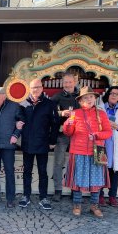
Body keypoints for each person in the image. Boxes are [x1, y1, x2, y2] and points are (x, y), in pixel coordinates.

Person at [62, 86, 112, 218]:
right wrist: (68, 123)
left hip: (98, 151)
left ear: (95, 99)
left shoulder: (101, 114)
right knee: (78, 180)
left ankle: (94, 206)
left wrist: (96, 135)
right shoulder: (75, 113)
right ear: (80, 101)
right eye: (85, 97)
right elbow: (68, 132)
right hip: (78, 151)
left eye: (91, 97)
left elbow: (108, 132)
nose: (89, 99)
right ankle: (77, 205)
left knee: (96, 180)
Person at [18, 79, 58, 210]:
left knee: (42, 172)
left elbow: (55, 124)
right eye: (33, 87)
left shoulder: (49, 104)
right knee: (27, 171)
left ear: (42, 88)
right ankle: (26, 196)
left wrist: (52, 141)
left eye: (38, 87)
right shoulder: (23, 104)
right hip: (27, 143)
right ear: (30, 89)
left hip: (43, 143)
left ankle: (43, 197)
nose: (35, 90)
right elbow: (18, 120)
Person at [50, 72, 80, 202]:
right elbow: (48, 112)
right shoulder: (56, 97)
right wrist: (61, 113)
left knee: (77, 163)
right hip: (62, 135)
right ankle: (58, 190)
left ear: (75, 82)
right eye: (65, 82)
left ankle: (75, 190)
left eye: (70, 82)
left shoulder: (81, 96)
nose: (67, 84)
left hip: (77, 135)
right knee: (58, 162)